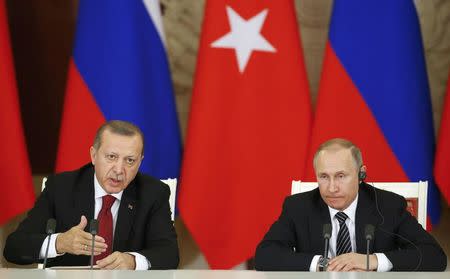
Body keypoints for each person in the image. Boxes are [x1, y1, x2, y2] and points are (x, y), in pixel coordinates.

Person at [4, 120, 179, 269]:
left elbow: (170, 254)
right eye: (111, 157)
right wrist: (59, 243)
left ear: (140, 162)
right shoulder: (61, 187)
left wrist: (132, 261)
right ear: (94, 156)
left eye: (130, 160)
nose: (119, 170)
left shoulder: (153, 193)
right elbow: (14, 248)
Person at [255, 138, 447, 271]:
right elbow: (265, 255)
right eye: (324, 177)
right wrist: (322, 264)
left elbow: (434, 256)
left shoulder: (388, 205)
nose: (332, 188)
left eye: (341, 176)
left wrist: (372, 261)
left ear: (361, 174)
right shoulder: (298, 207)